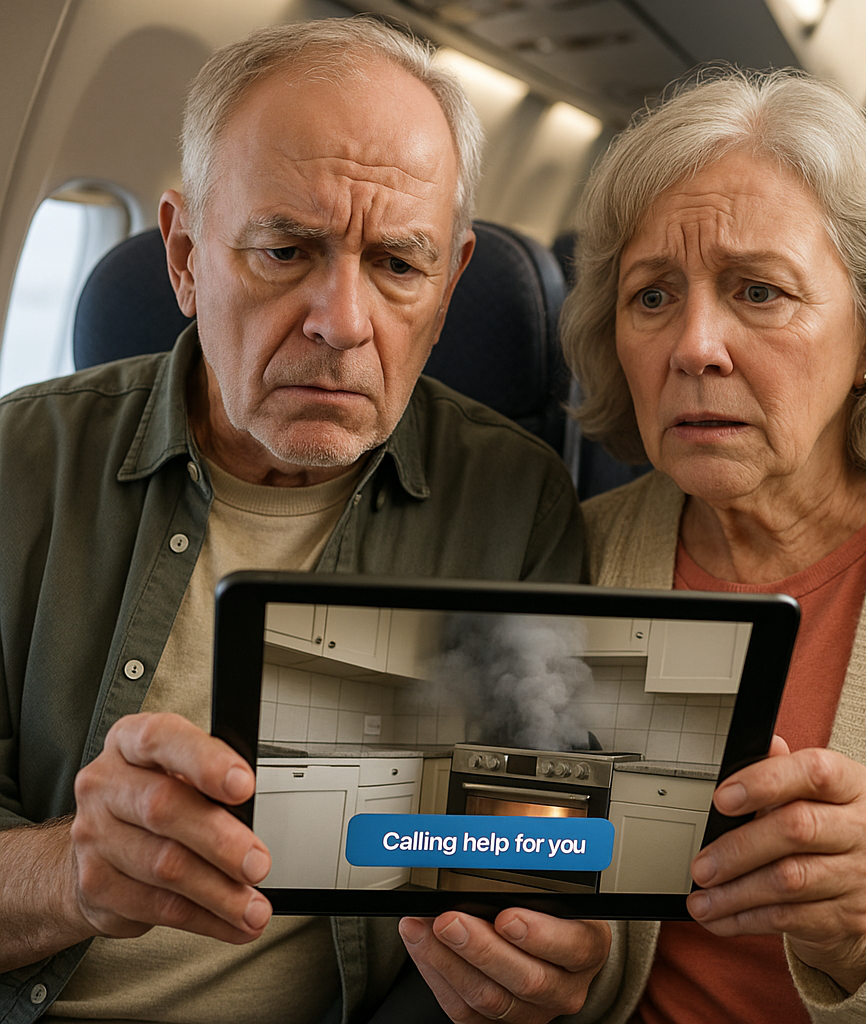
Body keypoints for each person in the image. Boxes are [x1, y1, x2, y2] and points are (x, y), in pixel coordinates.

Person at [0, 17, 607, 1024]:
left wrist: (542, 944)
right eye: (286, 250)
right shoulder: (19, 467)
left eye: (398, 266)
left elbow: (534, 847)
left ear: (450, 286)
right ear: (187, 256)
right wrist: (72, 871)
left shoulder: (516, 503)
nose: (342, 321)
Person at [403, 69, 866, 1023]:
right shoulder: (579, 556)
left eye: (759, 291)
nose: (695, 345)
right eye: (652, 297)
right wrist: (533, 967)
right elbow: (564, 894)